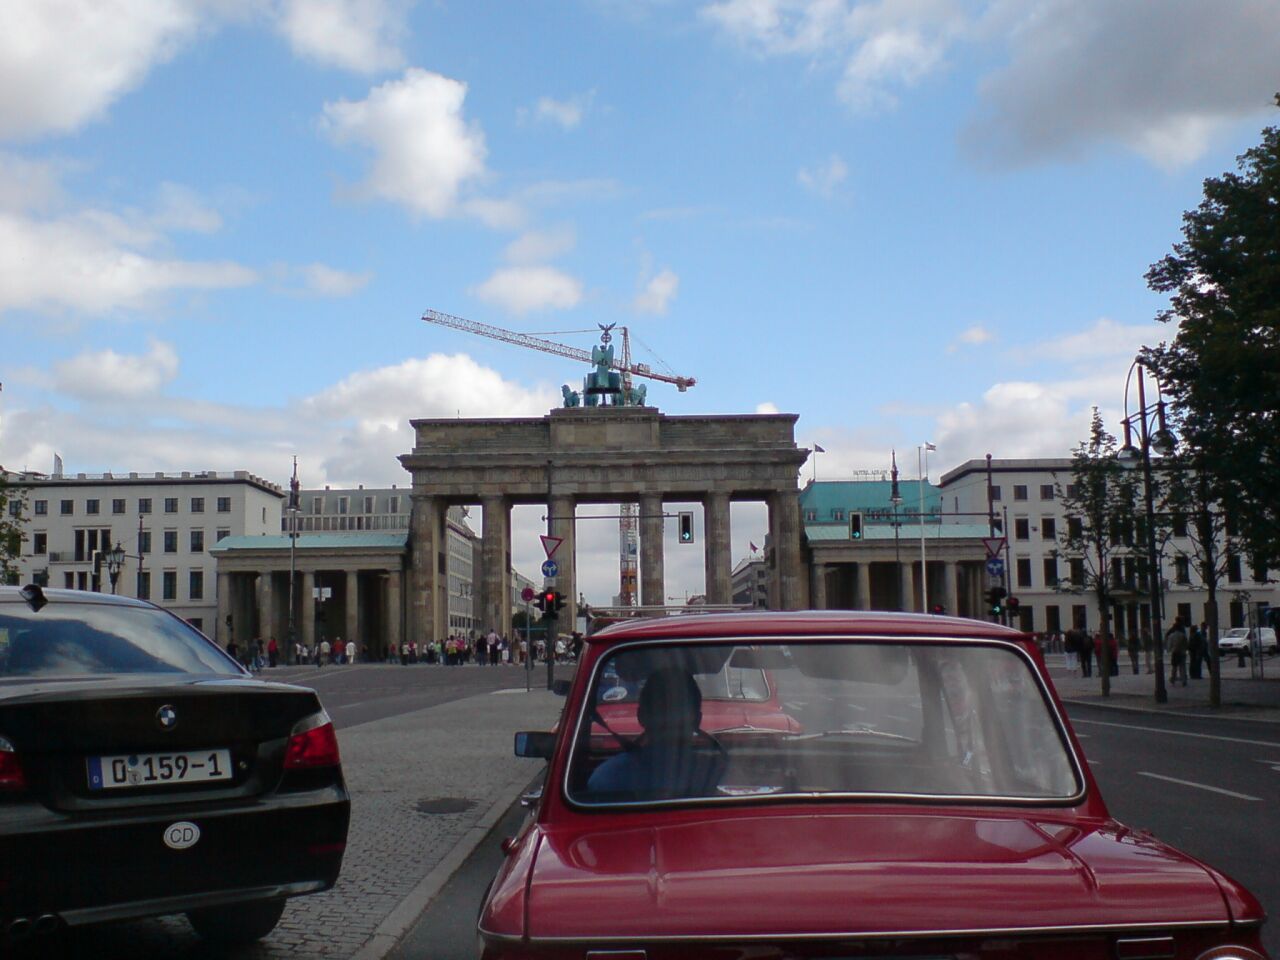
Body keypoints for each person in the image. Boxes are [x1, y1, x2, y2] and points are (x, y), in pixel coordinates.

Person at [587, 667, 724, 799]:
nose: (670, 720)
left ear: (641, 716)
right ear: (697, 720)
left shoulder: (607, 776)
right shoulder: (717, 775)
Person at [1166, 618, 1189, 686]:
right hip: (1182, 652)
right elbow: (1186, 644)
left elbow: (1169, 644)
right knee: (1182, 667)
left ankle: (1173, 678)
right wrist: (1185, 649)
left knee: (1174, 667)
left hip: (1175, 652)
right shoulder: (1183, 635)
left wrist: (1169, 649)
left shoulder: (1172, 635)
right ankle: (1184, 680)